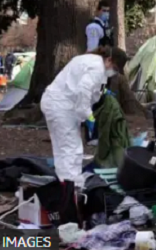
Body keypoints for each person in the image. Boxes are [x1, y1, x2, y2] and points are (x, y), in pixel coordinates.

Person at [40, 47, 119, 187]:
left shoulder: (90, 61)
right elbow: (84, 90)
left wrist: (101, 93)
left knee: (62, 149)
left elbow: (86, 87)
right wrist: (88, 115)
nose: (114, 72)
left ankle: (64, 185)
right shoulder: (97, 67)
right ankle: (73, 188)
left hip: (57, 103)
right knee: (72, 150)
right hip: (61, 106)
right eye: (115, 68)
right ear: (109, 60)